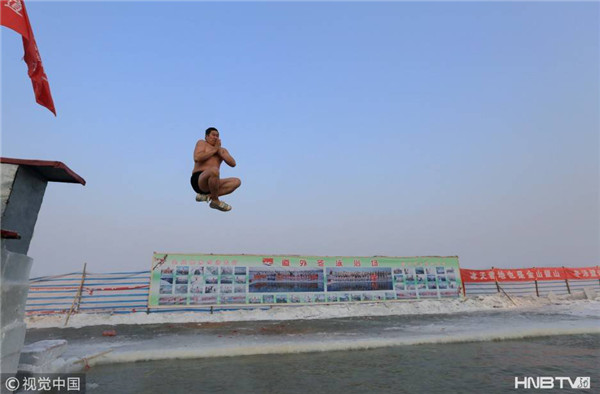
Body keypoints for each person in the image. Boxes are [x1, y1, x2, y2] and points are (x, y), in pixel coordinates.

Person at [190, 127, 241, 211]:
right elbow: (197, 158)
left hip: (213, 181)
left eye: (217, 136)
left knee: (237, 182)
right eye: (213, 135)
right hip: (199, 179)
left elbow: (233, 163)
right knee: (214, 170)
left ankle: (208, 197)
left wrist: (221, 152)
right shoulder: (202, 143)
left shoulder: (222, 150)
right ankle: (216, 200)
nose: (215, 137)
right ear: (206, 136)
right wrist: (215, 149)